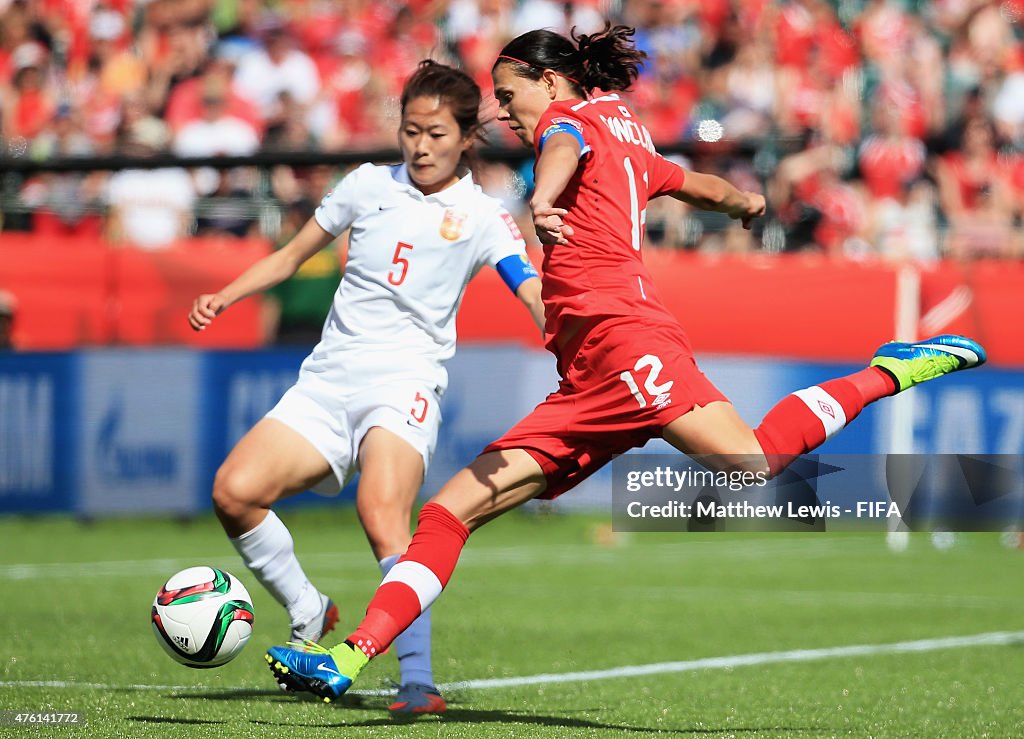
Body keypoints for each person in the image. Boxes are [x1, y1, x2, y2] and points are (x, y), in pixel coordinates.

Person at [264, 26, 987, 702]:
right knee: (450, 511)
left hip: (628, 344)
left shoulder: (568, 121)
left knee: (754, 464)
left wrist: (542, 200)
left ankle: (889, 370)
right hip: (588, 378)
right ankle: (349, 656)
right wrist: (741, 200)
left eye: (511, 97)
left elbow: (561, 144)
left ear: (548, 82)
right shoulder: (627, 130)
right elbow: (686, 182)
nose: (509, 115)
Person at [190, 60, 544, 715]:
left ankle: (418, 680)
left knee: (384, 516)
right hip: (327, 380)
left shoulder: (483, 215)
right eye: (411, 130)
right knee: (233, 492)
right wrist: (226, 295)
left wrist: (574, 337)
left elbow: (530, 287)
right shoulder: (365, 184)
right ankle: (308, 608)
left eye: (437, 133)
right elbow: (292, 255)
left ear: (466, 137)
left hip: (404, 383)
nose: (421, 145)